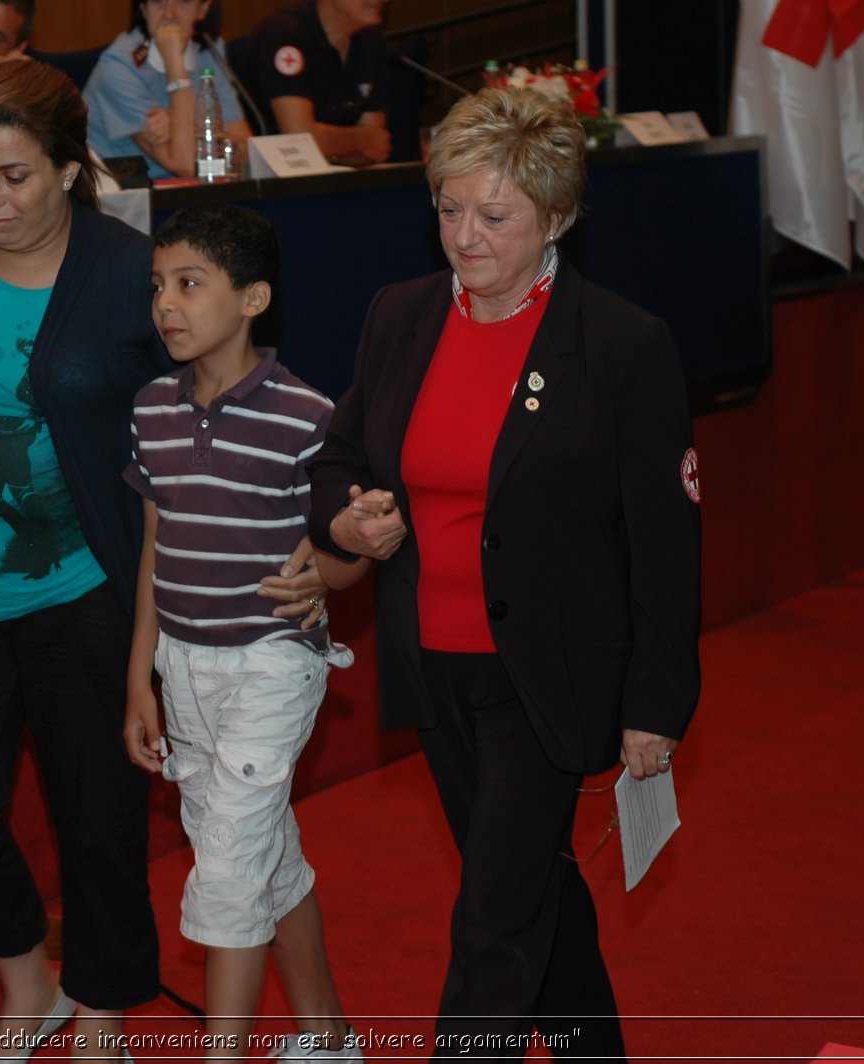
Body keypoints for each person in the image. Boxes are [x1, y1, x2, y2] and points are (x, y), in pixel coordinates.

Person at [0, 60, 329, 1056]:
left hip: (93, 582)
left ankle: (105, 1006)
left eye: (15, 176)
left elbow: (225, 394)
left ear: (71, 170)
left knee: (97, 818)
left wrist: (301, 531)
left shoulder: (129, 270)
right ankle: (28, 981)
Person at [307, 86, 701, 1059]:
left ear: (555, 216)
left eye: (494, 215)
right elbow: (338, 456)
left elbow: (666, 541)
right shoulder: (398, 316)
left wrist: (657, 700)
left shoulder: (619, 344)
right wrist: (350, 515)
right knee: (532, 891)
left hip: (548, 675)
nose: (463, 235)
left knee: (489, 919)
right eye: (447, 207)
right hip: (434, 664)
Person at [123, 205, 359, 1060]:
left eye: (190, 284)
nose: (166, 305)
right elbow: (155, 550)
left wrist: (325, 571)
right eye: (158, 286)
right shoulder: (152, 408)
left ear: (253, 297)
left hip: (271, 661)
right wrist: (138, 681)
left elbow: (346, 555)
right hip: (183, 664)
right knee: (261, 850)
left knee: (224, 868)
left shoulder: (307, 415)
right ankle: (328, 1037)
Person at [83, 0, 251, 180]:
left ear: (203, 9)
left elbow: (244, 150)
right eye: (158, 2)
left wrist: (175, 119)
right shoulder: (117, 68)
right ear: (143, 9)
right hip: (122, 196)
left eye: (183, 2)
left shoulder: (207, 50)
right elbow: (186, 166)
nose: (169, 14)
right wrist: (175, 64)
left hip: (182, 193)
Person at [238, 0, 392, 166]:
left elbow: (377, 147)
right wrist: (359, 138)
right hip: (274, 183)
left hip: (338, 178)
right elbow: (298, 139)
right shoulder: (285, 33)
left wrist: (329, 146)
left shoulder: (371, 41)